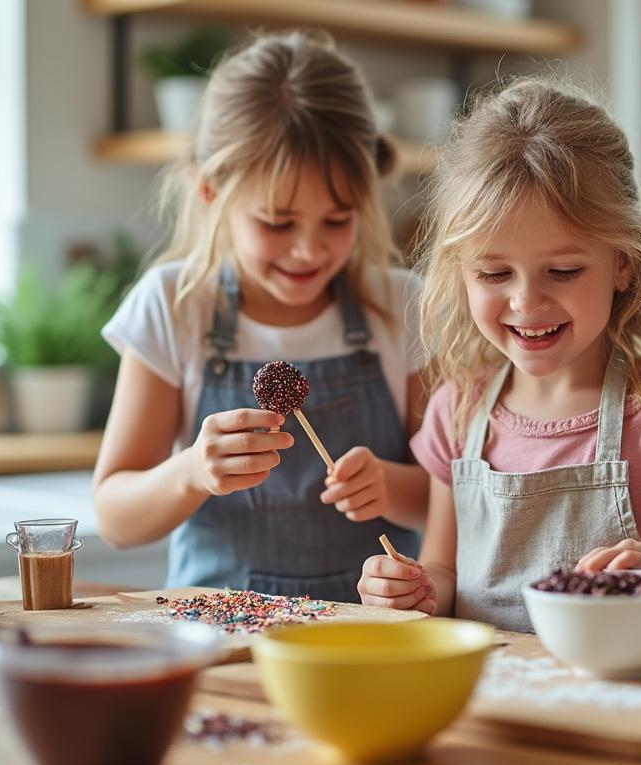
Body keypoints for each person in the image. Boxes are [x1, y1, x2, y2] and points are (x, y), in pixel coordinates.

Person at [356, 79, 641, 642]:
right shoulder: (455, 411)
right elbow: (444, 573)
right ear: (459, 271)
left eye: (563, 271)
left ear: (625, 263)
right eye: (493, 274)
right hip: (495, 714)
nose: (527, 302)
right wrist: (414, 590)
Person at [93, 31, 428, 603]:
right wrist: (193, 472)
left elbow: (456, 496)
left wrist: (392, 487)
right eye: (277, 223)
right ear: (209, 191)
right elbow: (117, 518)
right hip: (213, 640)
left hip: (370, 638)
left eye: (338, 219)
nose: (308, 250)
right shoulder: (175, 306)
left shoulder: (402, 307)